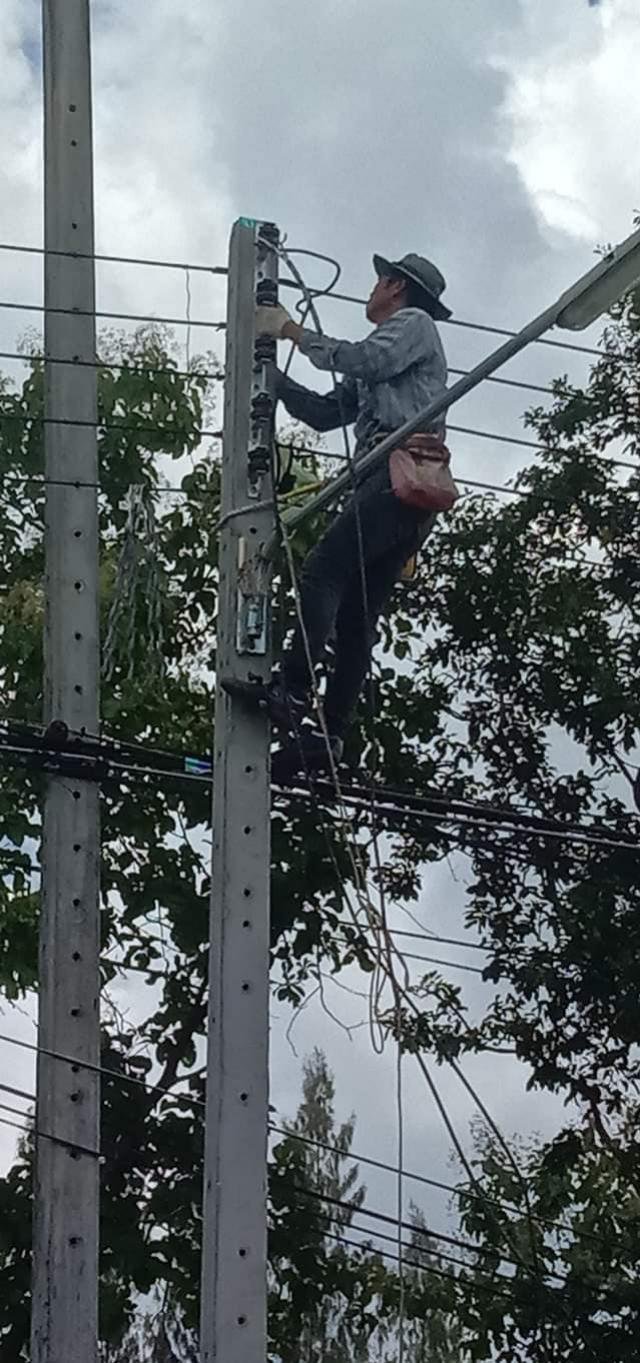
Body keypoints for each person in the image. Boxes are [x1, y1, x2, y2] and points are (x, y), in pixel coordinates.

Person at [249, 252, 450, 771]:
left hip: (394, 474)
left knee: (323, 573)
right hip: (405, 489)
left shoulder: (413, 323)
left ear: (394, 285)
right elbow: (325, 413)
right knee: (358, 615)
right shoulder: (391, 355)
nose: (371, 293)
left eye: (377, 283)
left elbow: (363, 359)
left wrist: (291, 330)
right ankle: (328, 736)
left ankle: (293, 690)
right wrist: (273, 379)